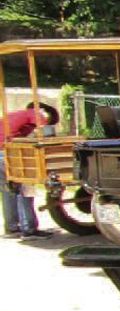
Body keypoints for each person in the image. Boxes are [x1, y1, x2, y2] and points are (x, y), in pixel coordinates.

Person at [1, 102, 59, 239]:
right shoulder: (35, 114)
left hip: (1, 152)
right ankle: (29, 229)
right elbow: (46, 134)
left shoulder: (16, 115)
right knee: (26, 187)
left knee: (8, 190)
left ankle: (12, 228)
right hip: (7, 152)